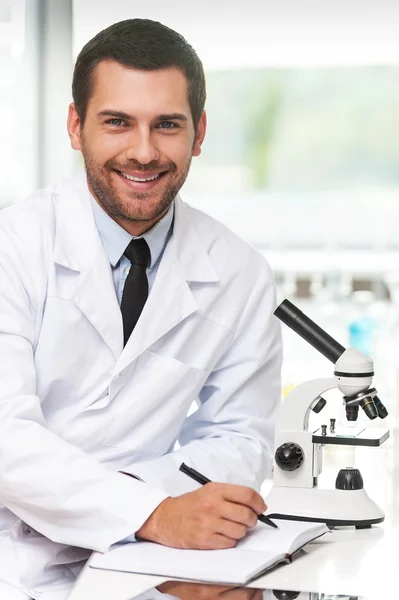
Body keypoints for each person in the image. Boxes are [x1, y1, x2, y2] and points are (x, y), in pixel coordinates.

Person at [0, 18, 282, 600]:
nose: (144, 151)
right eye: (118, 122)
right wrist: (151, 511)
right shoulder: (14, 246)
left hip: (141, 562)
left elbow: (241, 436)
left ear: (199, 133)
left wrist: (143, 505)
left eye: (168, 125)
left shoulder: (239, 271)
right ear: (76, 126)